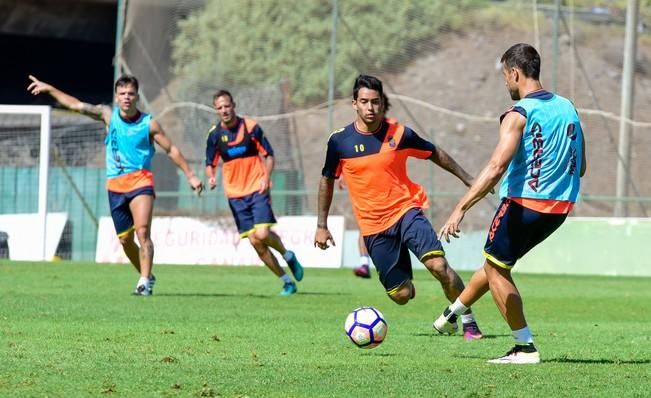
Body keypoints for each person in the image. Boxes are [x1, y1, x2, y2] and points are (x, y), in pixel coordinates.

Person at [434, 43, 587, 364]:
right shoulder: (568, 107)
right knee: (495, 264)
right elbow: (581, 166)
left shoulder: (519, 113)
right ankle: (451, 313)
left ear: (515, 73)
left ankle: (524, 346)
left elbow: (495, 167)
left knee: (497, 270)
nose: (506, 83)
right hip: (559, 208)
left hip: (523, 205)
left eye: (505, 76)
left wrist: (461, 207)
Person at [314, 74, 482, 339]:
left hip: (406, 212)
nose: (370, 108)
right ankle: (406, 276)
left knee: (438, 266)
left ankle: (467, 319)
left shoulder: (399, 134)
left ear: (383, 103)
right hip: (373, 228)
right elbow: (327, 180)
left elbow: (434, 152)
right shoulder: (339, 142)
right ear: (354, 104)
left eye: (376, 102)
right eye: (364, 102)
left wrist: (469, 179)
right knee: (401, 296)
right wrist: (321, 225)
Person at [27, 74, 204, 295]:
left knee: (142, 232)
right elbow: (74, 104)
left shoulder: (149, 123)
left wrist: (190, 175)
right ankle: (146, 274)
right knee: (125, 240)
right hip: (116, 186)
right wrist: (49, 88)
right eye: (122, 94)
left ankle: (144, 282)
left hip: (141, 182)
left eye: (130, 93)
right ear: (117, 97)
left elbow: (172, 149)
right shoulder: (107, 115)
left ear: (137, 96)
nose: (127, 97)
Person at [205, 90, 303, 296]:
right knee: (256, 242)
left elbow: (269, 155)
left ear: (234, 106)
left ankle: (288, 255)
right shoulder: (214, 135)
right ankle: (287, 282)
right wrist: (211, 176)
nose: (224, 110)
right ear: (216, 110)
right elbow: (209, 163)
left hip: (256, 188)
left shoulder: (250, 127)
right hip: (235, 194)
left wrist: (266, 176)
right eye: (219, 107)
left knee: (263, 234)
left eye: (227, 106)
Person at [337, 179, 372, 279]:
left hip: (382, 191)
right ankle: (364, 264)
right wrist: (343, 175)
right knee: (363, 228)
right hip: (365, 190)